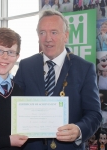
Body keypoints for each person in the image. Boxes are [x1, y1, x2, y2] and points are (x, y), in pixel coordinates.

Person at [14, 10, 102, 150]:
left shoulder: (84, 69)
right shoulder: (26, 66)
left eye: (54, 32)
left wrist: (79, 130)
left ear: (65, 36)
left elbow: (94, 114)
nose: (47, 38)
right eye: (42, 33)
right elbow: (13, 106)